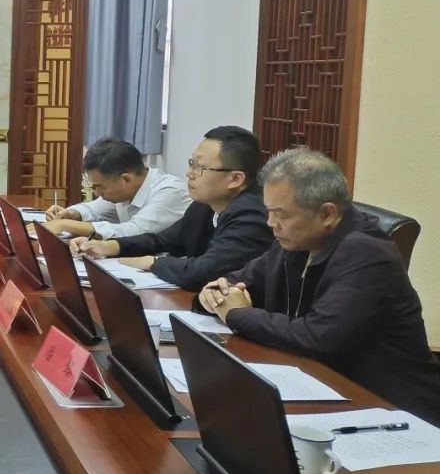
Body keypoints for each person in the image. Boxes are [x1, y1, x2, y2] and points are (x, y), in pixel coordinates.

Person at [198, 148, 440, 424]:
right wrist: (216, 292)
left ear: (327, 213)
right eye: (269, 211)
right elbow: (240, 279)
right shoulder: (297, 241)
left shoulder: (368, 254)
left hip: (392, 411)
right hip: (322, 388)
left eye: (280, 214)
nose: (271, 223)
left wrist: (236, 313)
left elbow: (317, 337)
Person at [76, 126, 273, 290]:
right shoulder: (203, 206)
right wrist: (109, 246)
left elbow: (202, 272)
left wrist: (154, 262)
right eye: (191, 164)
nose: (189, 173)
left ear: (235, 179)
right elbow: (161, 240)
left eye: (200, 167)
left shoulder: (251, 216)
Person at [44, 137, 189, 239]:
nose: (96, 193)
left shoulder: (170, 192)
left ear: (126, 179)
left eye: (99, 187)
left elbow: (134, 232)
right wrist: (72, 214)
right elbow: (94, 209)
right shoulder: (123, 191)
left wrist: (65, 225)